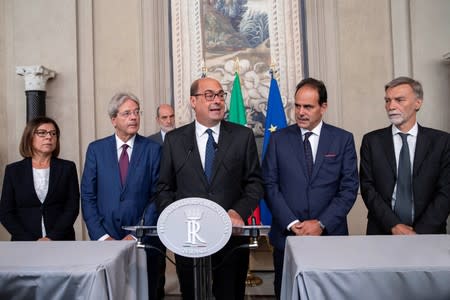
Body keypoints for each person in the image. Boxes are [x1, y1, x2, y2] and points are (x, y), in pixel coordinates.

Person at [157, 77, 264, 300]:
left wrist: (238, 212)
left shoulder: (242, 137)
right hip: (189, 239)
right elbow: (164, 188)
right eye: (209, 95)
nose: (217, 101)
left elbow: (254, 183)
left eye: (220, 95)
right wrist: (175, 220)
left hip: (231, 240)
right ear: (193, 101)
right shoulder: (174, 140)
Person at [262, 77, 359, 299]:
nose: (301, 112)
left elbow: (349, 188)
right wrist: (292, 223)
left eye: (308, 106)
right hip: (287, 237)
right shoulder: (279, 140)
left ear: (323, 107)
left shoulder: (342, 139)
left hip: (330, 237)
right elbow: (269, 184)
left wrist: (321, 223)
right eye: (297, 106)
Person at [80, 92, 163, 300]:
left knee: (146, 293)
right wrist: (102, 236)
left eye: (136, 112)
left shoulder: (154, 150)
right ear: (113, 119)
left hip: (143, 242)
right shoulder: (96, 150)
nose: (134, 117)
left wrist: (137, 233)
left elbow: (157, 196)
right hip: (105, 241)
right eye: (127, 113)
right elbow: (88, 196)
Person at [360, 76, 449, 235]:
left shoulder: (442, 142)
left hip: (429, 235)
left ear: (418, 103)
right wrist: (393, 225)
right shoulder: (371, 141)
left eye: (399, 100)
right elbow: (368, 188)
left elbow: (446, 192)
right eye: (388, 100)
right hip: (383, 232)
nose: (391, 106)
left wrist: (419, 233)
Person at [0, 116, 79, 241]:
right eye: (42, 133)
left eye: (53, 133)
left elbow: (72, 208)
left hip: (61, 240)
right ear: (30, 137)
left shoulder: (67, 168)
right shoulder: (13, 170)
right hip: (24, 243)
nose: (49, 137)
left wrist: (51, 237)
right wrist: (29, 241)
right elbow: (6, 213)